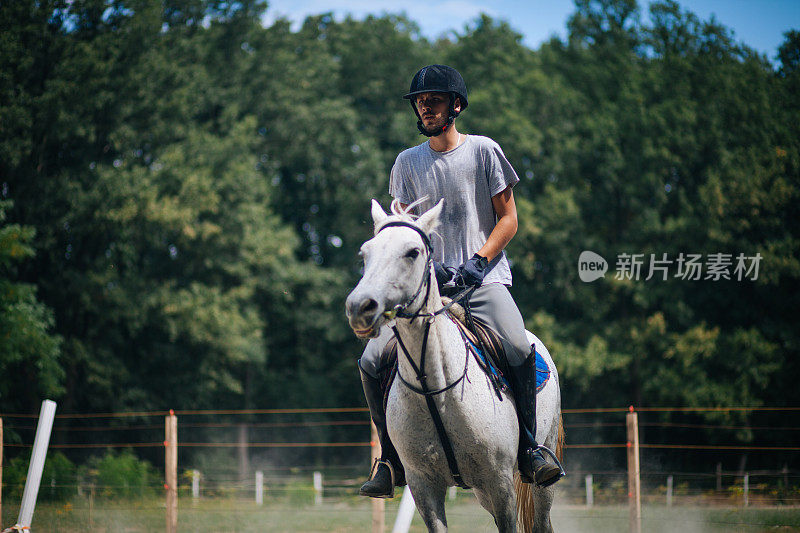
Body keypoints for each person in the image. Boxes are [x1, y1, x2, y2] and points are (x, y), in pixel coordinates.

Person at [357, 64, 562, 498]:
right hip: (425, 292)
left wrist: (477, 262)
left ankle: (531, 449)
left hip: (483, 282)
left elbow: (509, 220)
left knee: (519, 346)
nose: (425, 106)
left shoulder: (484, 151)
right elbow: (404, 226)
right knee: (372, 361)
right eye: (419, 100)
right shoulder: (406, 163)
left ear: (456, 105)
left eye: (433, 99)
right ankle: (389, 460)